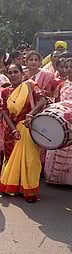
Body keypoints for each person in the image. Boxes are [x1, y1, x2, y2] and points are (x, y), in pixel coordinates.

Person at [0, 63, 47, 202]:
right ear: (7, 75)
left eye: (16, 72)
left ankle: (30, 191)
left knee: (30, 159)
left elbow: (42, 100)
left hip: (28, 127)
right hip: (12, 129)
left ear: (21, 73)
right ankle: (13, 186)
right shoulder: (5, 92)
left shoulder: (31, 85)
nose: (13, 75)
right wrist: (13, 129)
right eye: (10, 72)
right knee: (12, 158)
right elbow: (4, 112)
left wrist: (30, 114)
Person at [45, 57, 72, 186]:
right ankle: (55, 178)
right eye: (66, 67)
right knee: (59, 146)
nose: (68, 70)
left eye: (71, 67)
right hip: (61, 121)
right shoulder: (62, 84)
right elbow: (57, 100)